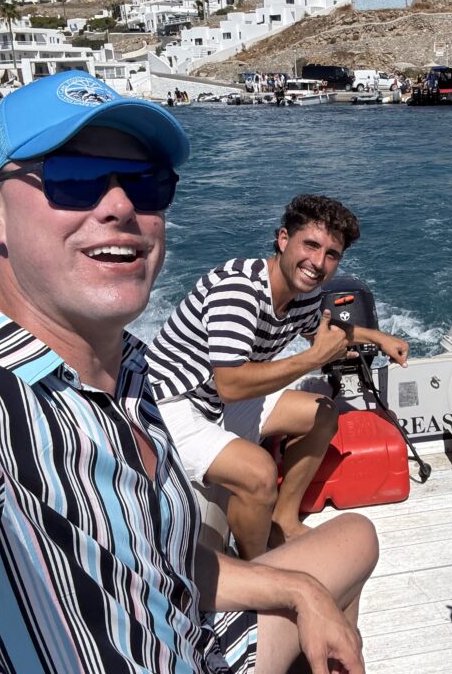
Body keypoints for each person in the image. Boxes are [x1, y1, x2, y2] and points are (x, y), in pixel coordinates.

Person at [0, 71, 378, 674]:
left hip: (187, 637)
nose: (119, 206)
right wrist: (312, 361)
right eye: (73, 178)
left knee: (356, 538)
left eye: (145, 183)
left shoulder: (129, 375)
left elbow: (157, 568)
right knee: (261, 474)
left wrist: (297, 590)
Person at [147, 195, 409, 560]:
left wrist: (379, 338)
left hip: (219, 400)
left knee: (322, 412)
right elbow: (232, 383)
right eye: (311, 245)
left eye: (331, 254)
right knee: (259, 472)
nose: (318, 263)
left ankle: (283, 521)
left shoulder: (304, 295)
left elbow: (323, 334)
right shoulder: (238, 291)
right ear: (284, 239)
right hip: (171, 404)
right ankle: (258, 566)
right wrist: (312, 359)